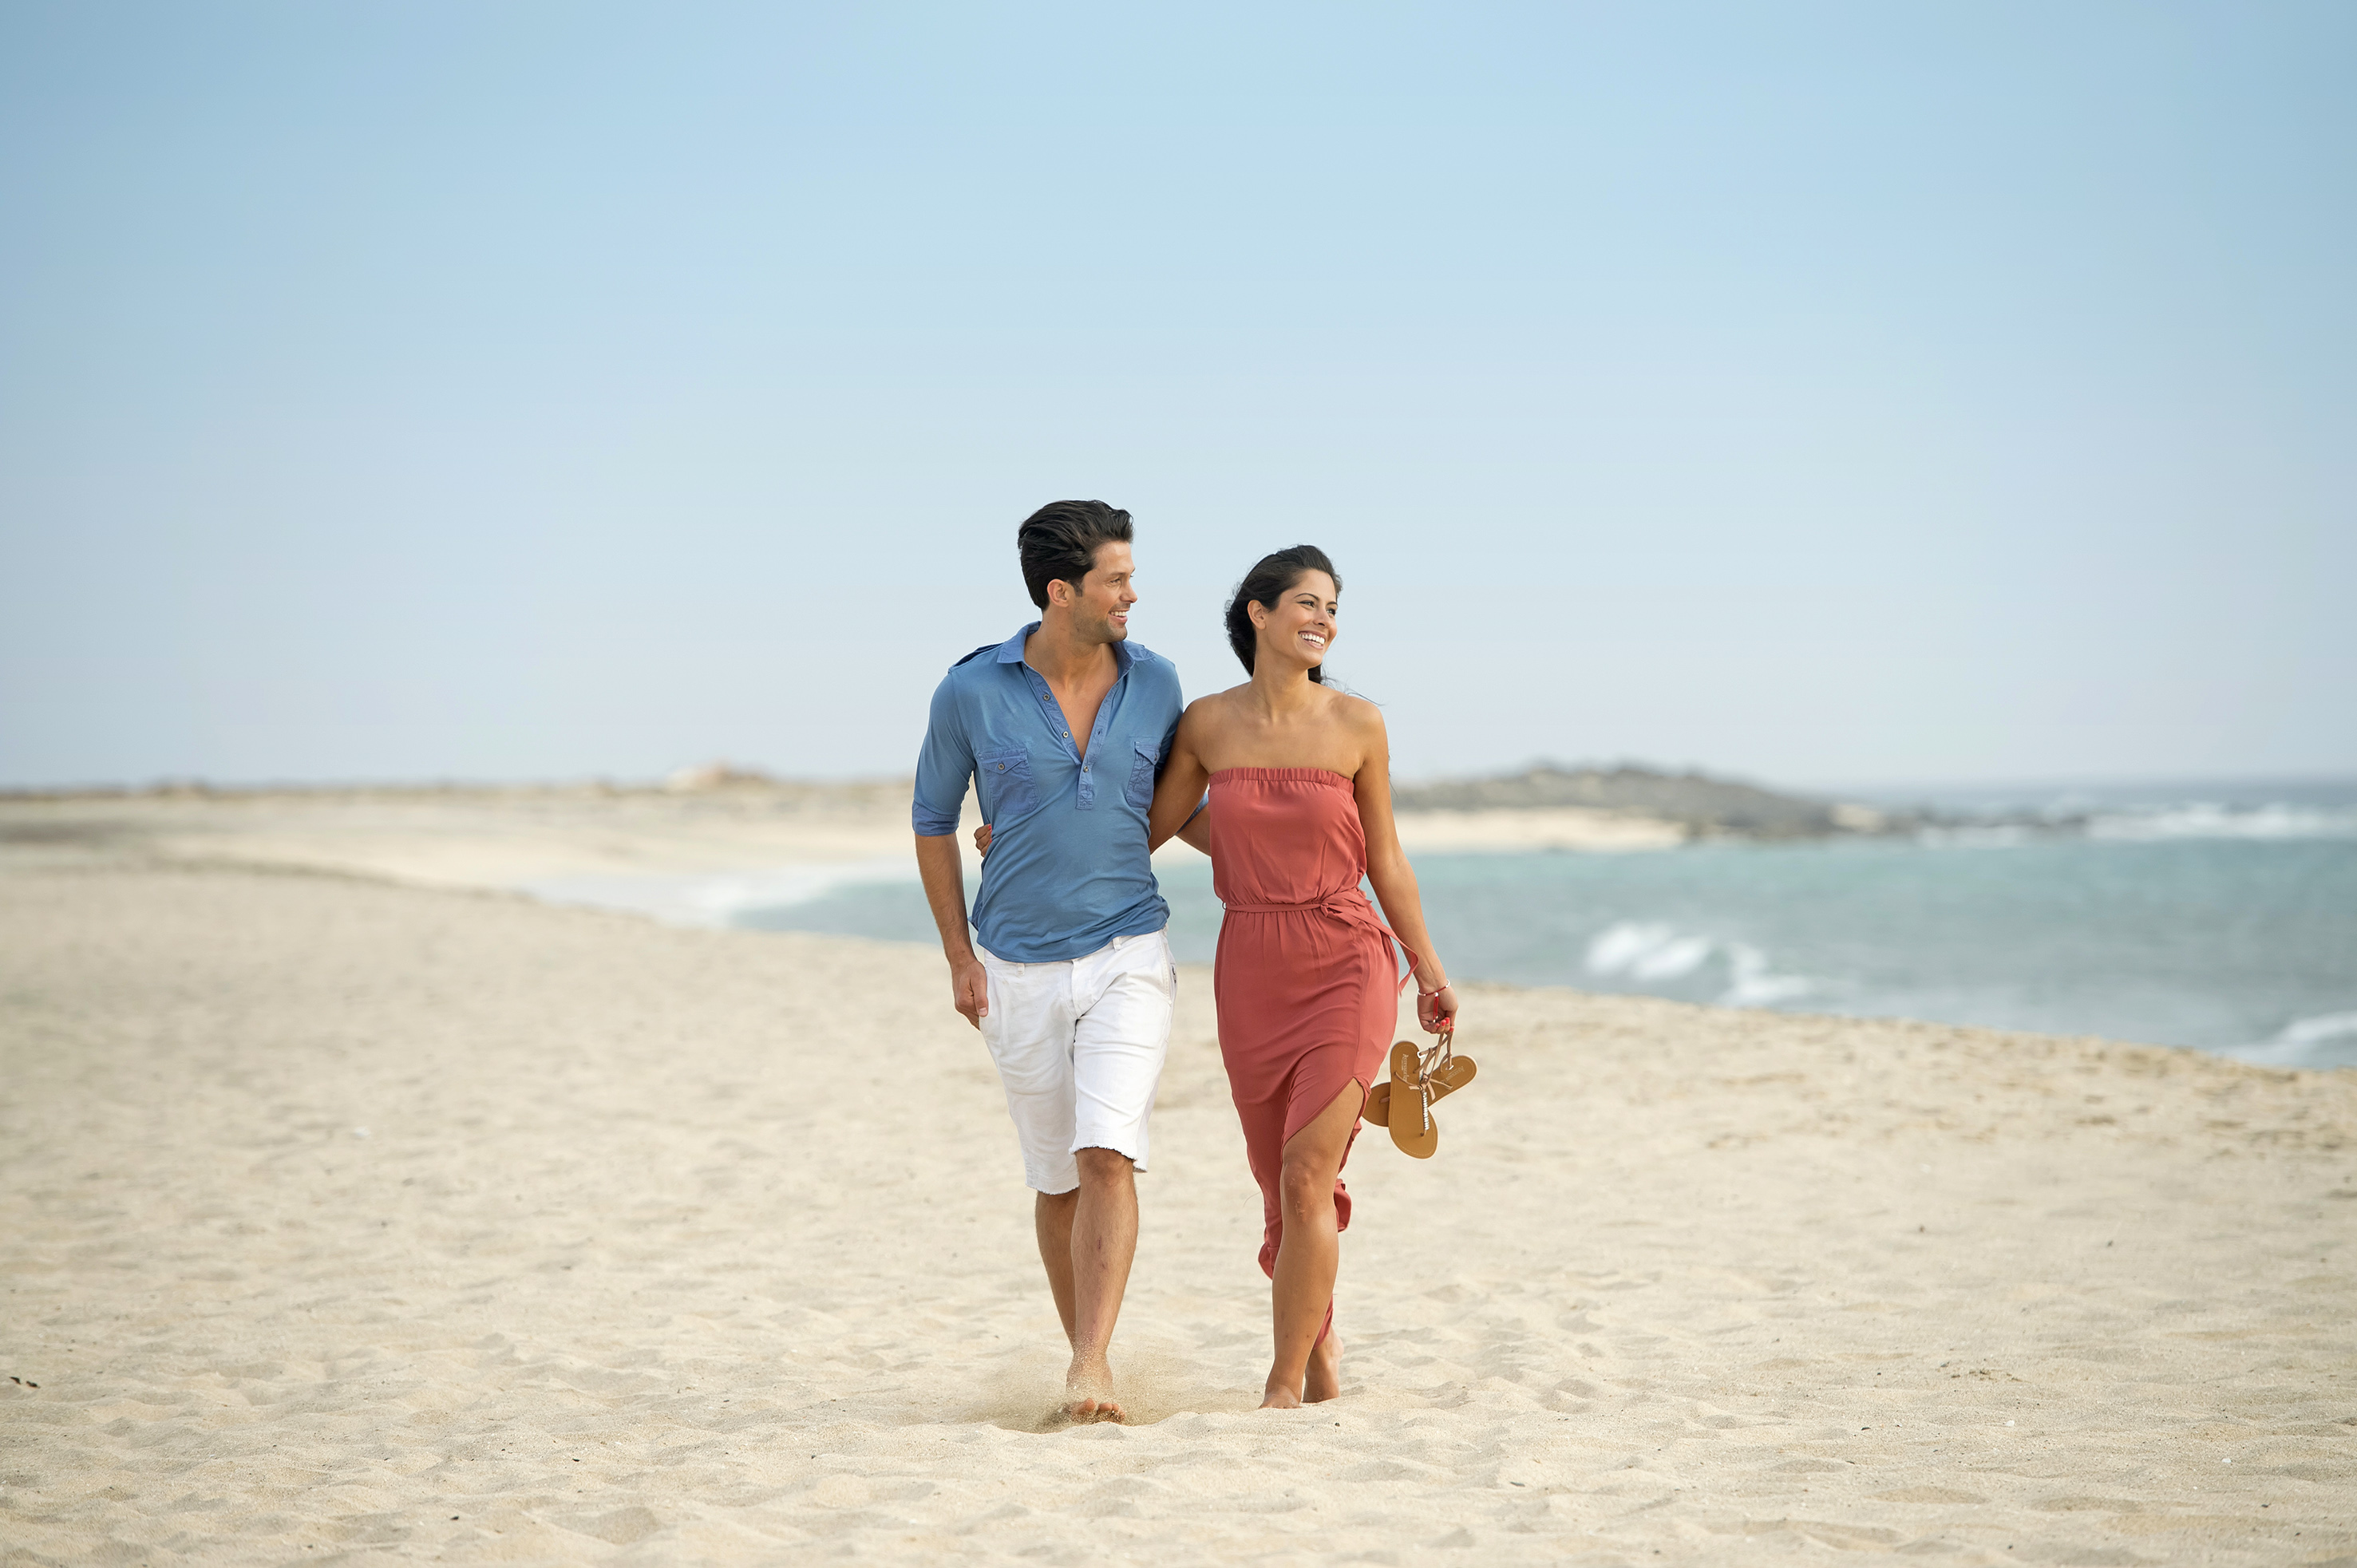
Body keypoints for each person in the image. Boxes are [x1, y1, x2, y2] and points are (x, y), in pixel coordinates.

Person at [912, 500, 1210, 1426]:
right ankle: (1087, 1353)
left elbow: (1174, 809)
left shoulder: (1157, 683)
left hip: (1128, 944)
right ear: (1060, 591)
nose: (1132, 593)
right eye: (1116, 579)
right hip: (1014, 967)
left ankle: (1090, 1369)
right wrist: (959, 955)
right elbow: (931, 821)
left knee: (1106, 1151)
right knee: (1057, 1181)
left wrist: (1284, 862)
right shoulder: (969, 690)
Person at [1143, 545, 1459, 1410]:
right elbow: (1153, 827)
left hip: (1346, 956)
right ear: (1258, 612)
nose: (1322, 621)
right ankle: (1318, 1353)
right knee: (1275, 1181)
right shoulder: (1207, 724)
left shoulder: (1358, 724)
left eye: (1331, 610)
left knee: (1305, 1171)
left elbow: (1386, 860)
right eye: (1307, 605)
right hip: (1249, 965)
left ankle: (1282, 1384)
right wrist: (1019, 839)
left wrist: (1427, 967)